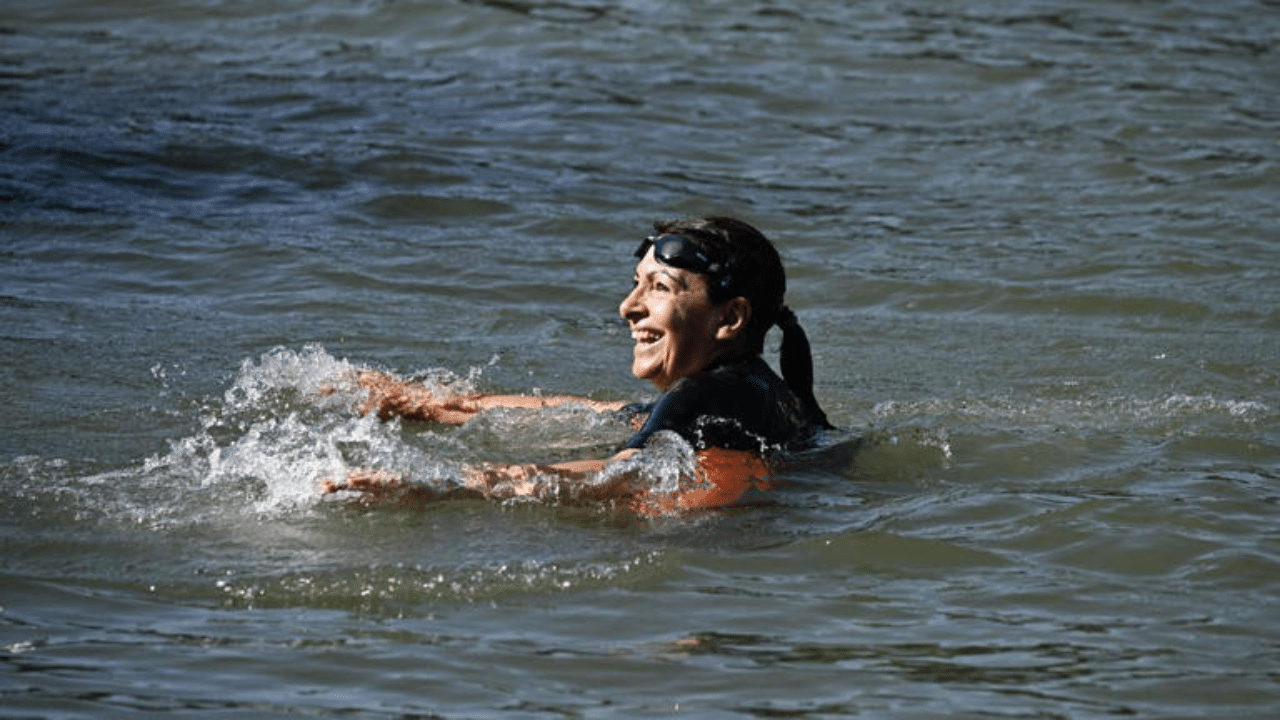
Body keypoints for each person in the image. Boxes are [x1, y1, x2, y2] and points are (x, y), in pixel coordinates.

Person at [326, 216, 833, 513]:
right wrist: (439, 406)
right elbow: (601, 414)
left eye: (658, 288)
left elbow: (621, 475)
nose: (628, 307)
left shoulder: (702, 396)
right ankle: (436, 404)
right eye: (636, 283)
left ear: (731, 318)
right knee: (619, 416)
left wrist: (442, 483)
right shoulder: (766, 391)